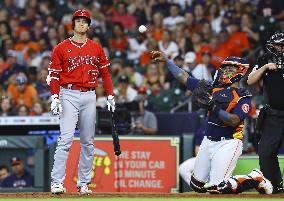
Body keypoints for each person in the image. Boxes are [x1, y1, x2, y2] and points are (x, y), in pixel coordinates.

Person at [151, 51, 272, 194]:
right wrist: (167, 61)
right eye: (225, 68)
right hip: (208, 140)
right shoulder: (212, 86)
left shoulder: (243, 96)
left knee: (218, 188)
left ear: (241, 71)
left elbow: (234, 121)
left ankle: (254, 178)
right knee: (196, 185)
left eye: (230, 68)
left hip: (229, 142)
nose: (225, 71)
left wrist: (213, 107)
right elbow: (184, 78)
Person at [47, 9, 115, 194]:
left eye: (85, 21)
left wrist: (110, 95)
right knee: (66, 139)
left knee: (88, 141)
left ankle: (83, 183)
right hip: (68, 93)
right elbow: (53, 76)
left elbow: (105, 74)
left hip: (89, 95)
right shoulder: (61, 47)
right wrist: (54, 97)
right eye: (78, 20)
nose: (81, 23)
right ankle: (56, 182)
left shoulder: (96, 47)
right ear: (73, 24)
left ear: (89, 25)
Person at [247, 31, 284, 194]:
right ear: (272, 46)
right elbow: (250, 80)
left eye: (283, 45)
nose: (280, 48)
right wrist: (265, 67)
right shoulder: (264, 59)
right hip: (274, 113)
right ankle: (274, 185)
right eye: (278, 45)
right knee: (266, 151)